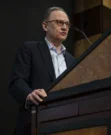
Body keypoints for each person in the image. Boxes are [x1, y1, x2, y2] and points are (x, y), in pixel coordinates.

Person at [8, 7, 75, 135]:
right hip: (35, 122)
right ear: (45, 26)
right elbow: (17, 81)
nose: (64, 27)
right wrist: (29, 94)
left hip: (65, 124)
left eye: (67, 24)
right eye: (59, 22)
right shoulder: (30, 49)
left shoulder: (72, 61)